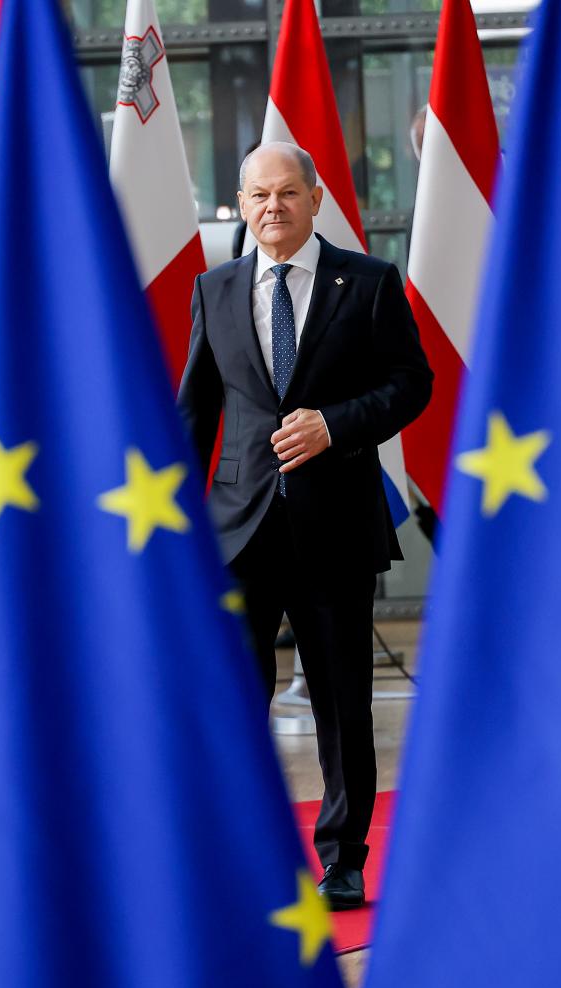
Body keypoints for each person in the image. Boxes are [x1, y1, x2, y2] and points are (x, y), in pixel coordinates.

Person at [176, 141, 432, 911]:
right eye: (258, 196)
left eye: (287, 193)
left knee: (342, 705)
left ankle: (343, 861)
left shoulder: (371, 283)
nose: (272, 209)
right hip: (237, 533)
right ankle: (241, 854)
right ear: (242, 204)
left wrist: (337, 425)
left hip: (336, 528)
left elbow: (412, 383)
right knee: (232, 704)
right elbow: (193, 414)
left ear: (316, 198)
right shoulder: (214, 290)